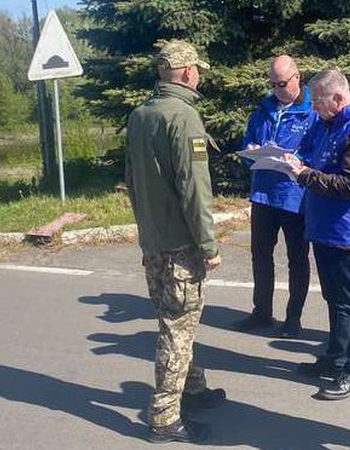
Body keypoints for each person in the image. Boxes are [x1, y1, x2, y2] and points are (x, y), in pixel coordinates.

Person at [124, 40, 226, 444]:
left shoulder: (140, 114)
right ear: (186, 73)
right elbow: (194, 189)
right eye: (196, 69)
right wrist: (208, 245)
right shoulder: (183, 117)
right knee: (177, 328)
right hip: (181, 247)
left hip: (154, 243)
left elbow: (131, 180)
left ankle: (193, 388)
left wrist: (146, 231)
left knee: (177, 322)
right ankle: (164, 416)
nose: (198, 74)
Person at [286, 69, 350, 400]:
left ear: (339, 99)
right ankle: (336, 358)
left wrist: (306, 177)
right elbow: (310, 153)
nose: (313, 108)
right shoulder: (329, 124)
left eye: (318, 101)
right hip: (324, 228)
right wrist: (291, 161)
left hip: (347, 231)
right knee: (335, 299)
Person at [233, 55, 316, 338]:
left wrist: (296, 159)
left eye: (281, 84)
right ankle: (261, 312)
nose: (277, 89)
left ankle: (293, 319)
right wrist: (252, 151)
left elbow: (319, 150)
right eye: (272, 84)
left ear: (297, 77)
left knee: (297, 258)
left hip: (294, 196)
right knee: (260, 255)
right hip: (263, 194)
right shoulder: (264, 107)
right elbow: (247, 141)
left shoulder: (311, 110)